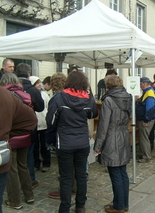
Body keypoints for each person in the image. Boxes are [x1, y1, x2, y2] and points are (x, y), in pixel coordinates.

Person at [0, 56, 37, 213]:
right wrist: (3, 134)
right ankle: (27, 196)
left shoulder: (8, 94)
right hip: (0, 159)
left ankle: (17, 199)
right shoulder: (7, 95)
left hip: (0, 155)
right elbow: (31, 120)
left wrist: (6, 132)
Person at [46, 71, 98, 213]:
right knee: (81, 176)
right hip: (82, 142)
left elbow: (50, 122)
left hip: (64, 143)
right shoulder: (87, 99)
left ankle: (65, 208)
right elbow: (93, 113)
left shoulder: (59, 98)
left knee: (66, 177)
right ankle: (80, 206)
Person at [94, 75, 132, 213]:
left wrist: (98, 147)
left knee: (115, 173)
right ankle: (123, 203)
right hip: (123, 135)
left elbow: (103, 127)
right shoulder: (128, 97)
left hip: (111, 138)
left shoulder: (109, 100)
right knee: (122, 172)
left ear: (108, 86)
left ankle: (119, 206)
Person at [0, 73, 35, 210]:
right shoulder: (26, 95)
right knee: (23, 165)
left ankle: (15, 201)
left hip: (11, 135)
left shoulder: (3, 95)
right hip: (25, 135)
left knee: (11, 168)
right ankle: (29, 195)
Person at [16, 63, 44, 188]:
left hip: (13, 127)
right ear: (28, 74)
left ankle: (16, 181)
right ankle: (31, 180)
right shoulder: (33, 90)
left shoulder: (12, 89)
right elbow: (40, 107)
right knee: (29, 155)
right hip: (29, 127)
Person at [29, 76, 51, 172]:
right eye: (37, 83)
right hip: (34, 125)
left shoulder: (44, 94)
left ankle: (47, 163)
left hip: (43, 124)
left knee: (44, 145)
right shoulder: (30, 94)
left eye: (39, 82)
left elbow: (48, 107)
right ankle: (36, 163)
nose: (39, 84)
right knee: (35, 147)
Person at [136, 77, 155, 163]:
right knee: (143, 137)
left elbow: (150, 108)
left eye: (140, 84)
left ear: (144, 83)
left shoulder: (149, 93)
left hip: (146, 119)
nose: (140, 86)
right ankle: (142, 153)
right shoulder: (147, 92)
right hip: (145, 118)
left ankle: (147, 156)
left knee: (144, 138)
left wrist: (146, 120)